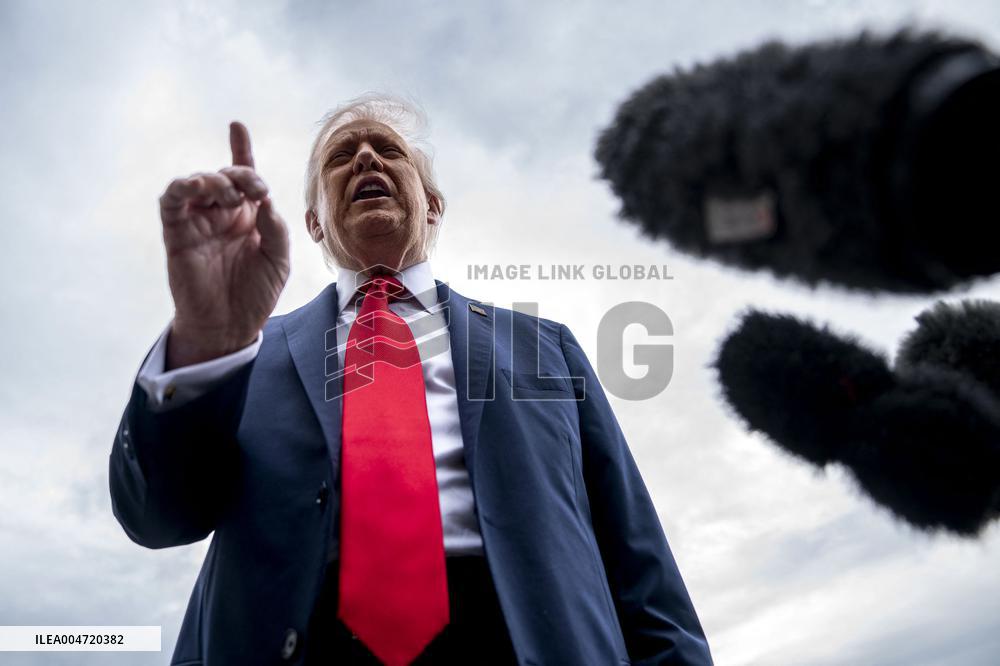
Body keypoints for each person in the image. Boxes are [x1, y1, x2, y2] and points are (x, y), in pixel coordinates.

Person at [109, 94, 713, 665]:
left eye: (388, 150)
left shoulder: (542, 345)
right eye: (341, 157)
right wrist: (207, 334)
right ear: (314, 224)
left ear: (432, 205)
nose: (366, 158)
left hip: (529, 639)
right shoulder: (244, 351)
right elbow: (157, 518)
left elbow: (638, 558)